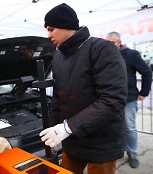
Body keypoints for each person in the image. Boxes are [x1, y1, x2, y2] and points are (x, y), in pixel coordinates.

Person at [39, 3, 128, 174]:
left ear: (66, 26)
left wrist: (67, 127)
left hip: (102, 142)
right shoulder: (58, 56)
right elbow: (58, 97)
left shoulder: (101, 49)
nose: (48, 35)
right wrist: (55, 129)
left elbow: (112, 100)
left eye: (51, 29)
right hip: (72, 142)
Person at [106, 31, 152, 168]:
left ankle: (132, 152)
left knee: (129, 127)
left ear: (119, 43)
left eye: (112, 43)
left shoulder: (131, 55)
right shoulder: (106, 55)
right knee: (113, 127)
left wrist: (144, 92)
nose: (109, 46)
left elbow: (147, 72)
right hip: (110, 99)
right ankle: (117, 150)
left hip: (128, 99)